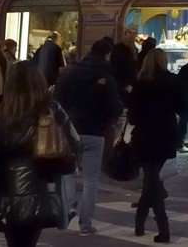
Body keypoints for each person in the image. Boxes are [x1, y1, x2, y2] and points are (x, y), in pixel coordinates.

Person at [0, 61, 74, 247]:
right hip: (41, 190)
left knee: (14, 243)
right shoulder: (51, 110)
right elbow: (74, 145)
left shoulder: (2, 115)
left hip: (7, 193)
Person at [54, 36, 122, 235]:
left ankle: (69, 203)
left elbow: (57, 98)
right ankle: (85, 224)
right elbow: (112, 106)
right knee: (91, 179)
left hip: (70, 128)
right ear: (107, 55)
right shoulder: (106, 77)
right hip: (95, 131)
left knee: (66, 170)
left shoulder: (71, 73)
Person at [130, 47, 186, 243]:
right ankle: (149, 224)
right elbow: (183, 107)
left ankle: (153, 225)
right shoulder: (173, 81)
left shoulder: (140, 83)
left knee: (151, 179)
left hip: (145, 136)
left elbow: (132, 117)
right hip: (166, 134)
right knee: (152, 180)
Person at [111, 28, 140, 98]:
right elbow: (115, 66)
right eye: (130, 32)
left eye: (134, 33)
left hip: (131, 83)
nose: (132, 35)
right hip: (121, 82)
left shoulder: (135, 49)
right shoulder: (118, 48)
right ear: (125, 34)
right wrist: (123, 84)